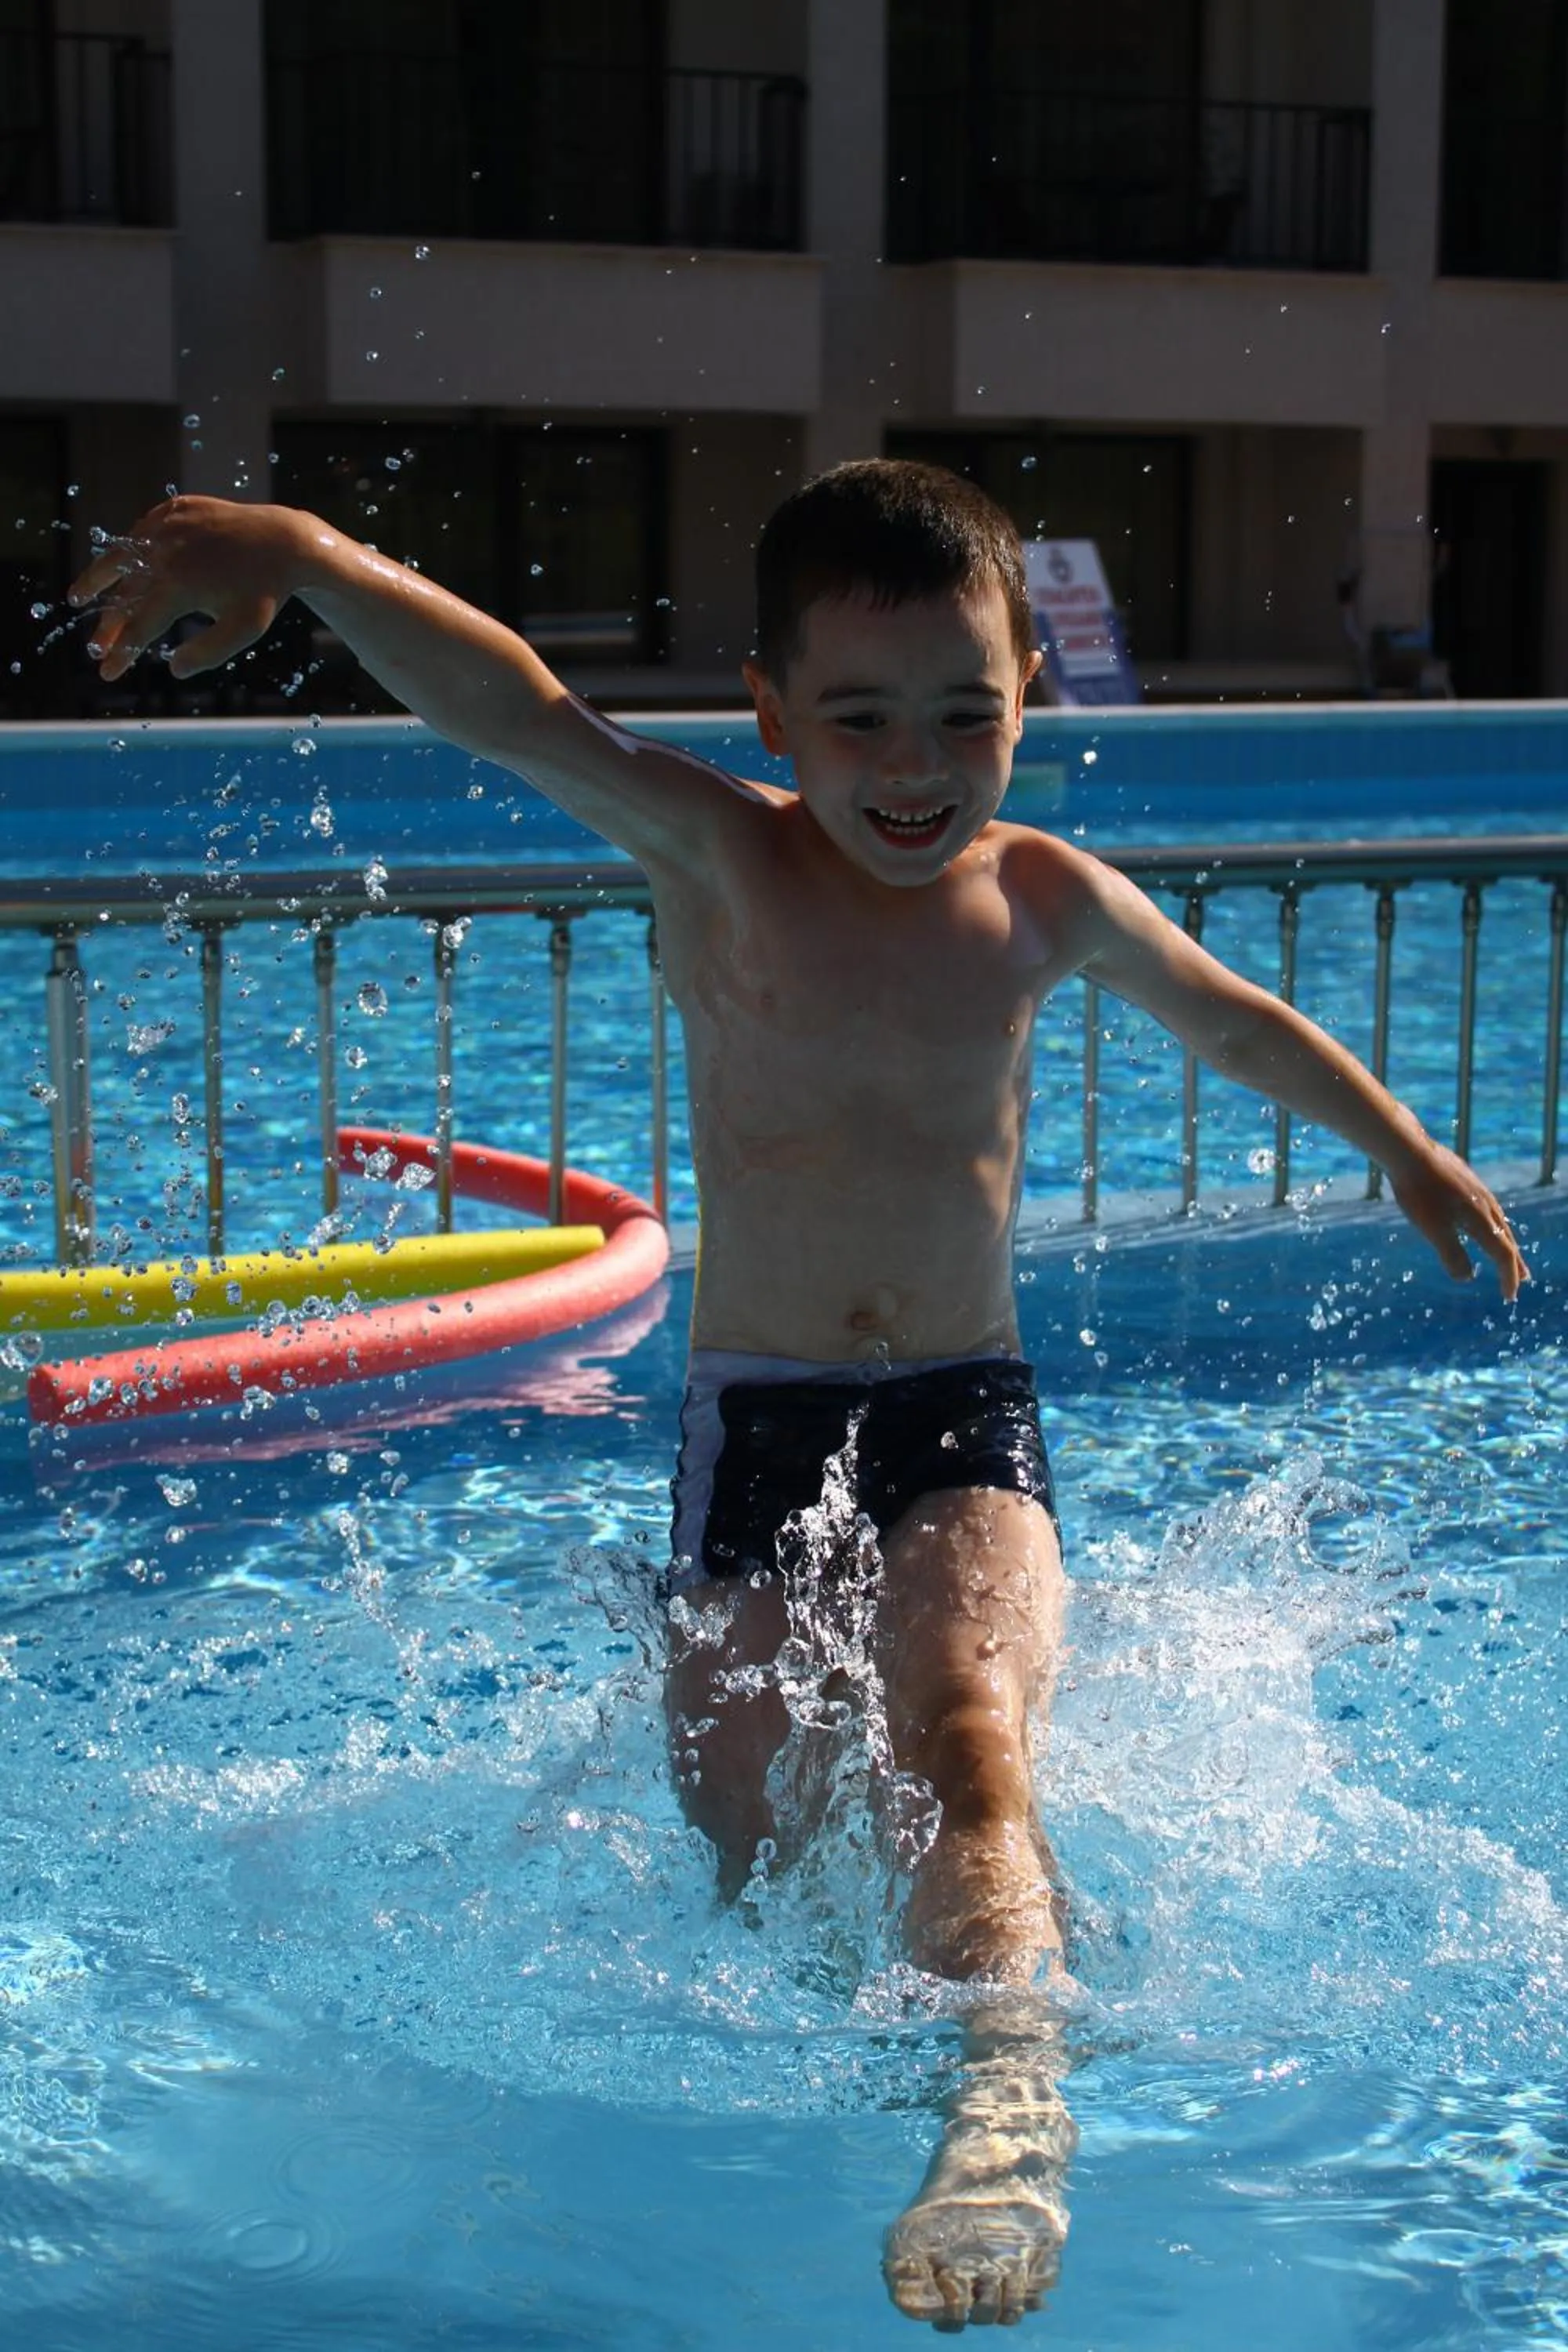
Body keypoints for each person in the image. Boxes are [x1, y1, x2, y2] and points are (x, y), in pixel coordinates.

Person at [68, 462, 1526, 2330]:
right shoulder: (719, 857)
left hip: (960, 1407)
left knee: (965, 1731)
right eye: (859, 718)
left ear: (1027, 705)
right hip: (753, 1422)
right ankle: (828, 2109)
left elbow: (1227, 1014)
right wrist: (311, 560)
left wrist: (1394, 1141)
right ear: (771, 715)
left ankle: (1007, 2105)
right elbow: (514, 704)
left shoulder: (1041, 897)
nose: (914, 764)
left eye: (964, 714)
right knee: (745, 1853)